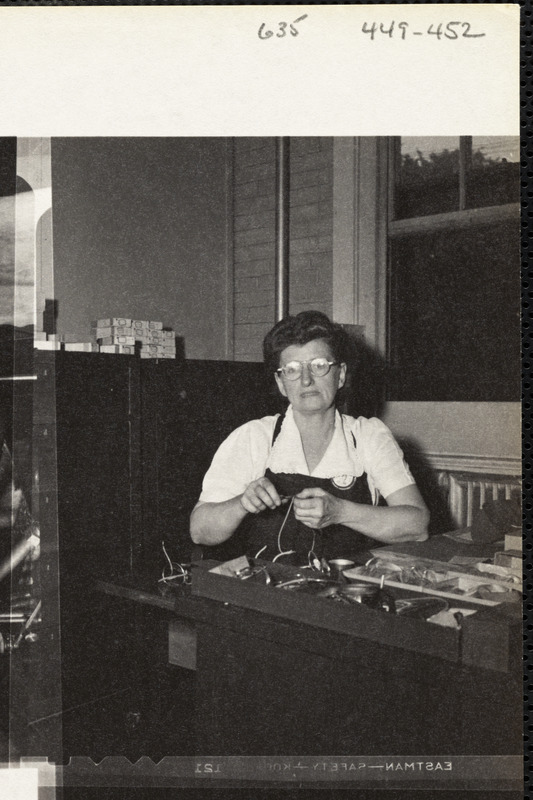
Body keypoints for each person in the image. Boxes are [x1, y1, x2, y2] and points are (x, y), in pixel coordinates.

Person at [190, 311, 429, 564]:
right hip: (268, 592)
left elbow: (417, 525)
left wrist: (340, 512)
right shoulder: (253, 437)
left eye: (319, 366)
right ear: (281, 384)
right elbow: (199, 531)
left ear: (341, 375)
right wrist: (241, 503)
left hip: (346, 592)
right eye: (292, 369)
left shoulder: (368, 436)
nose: (306, 380)